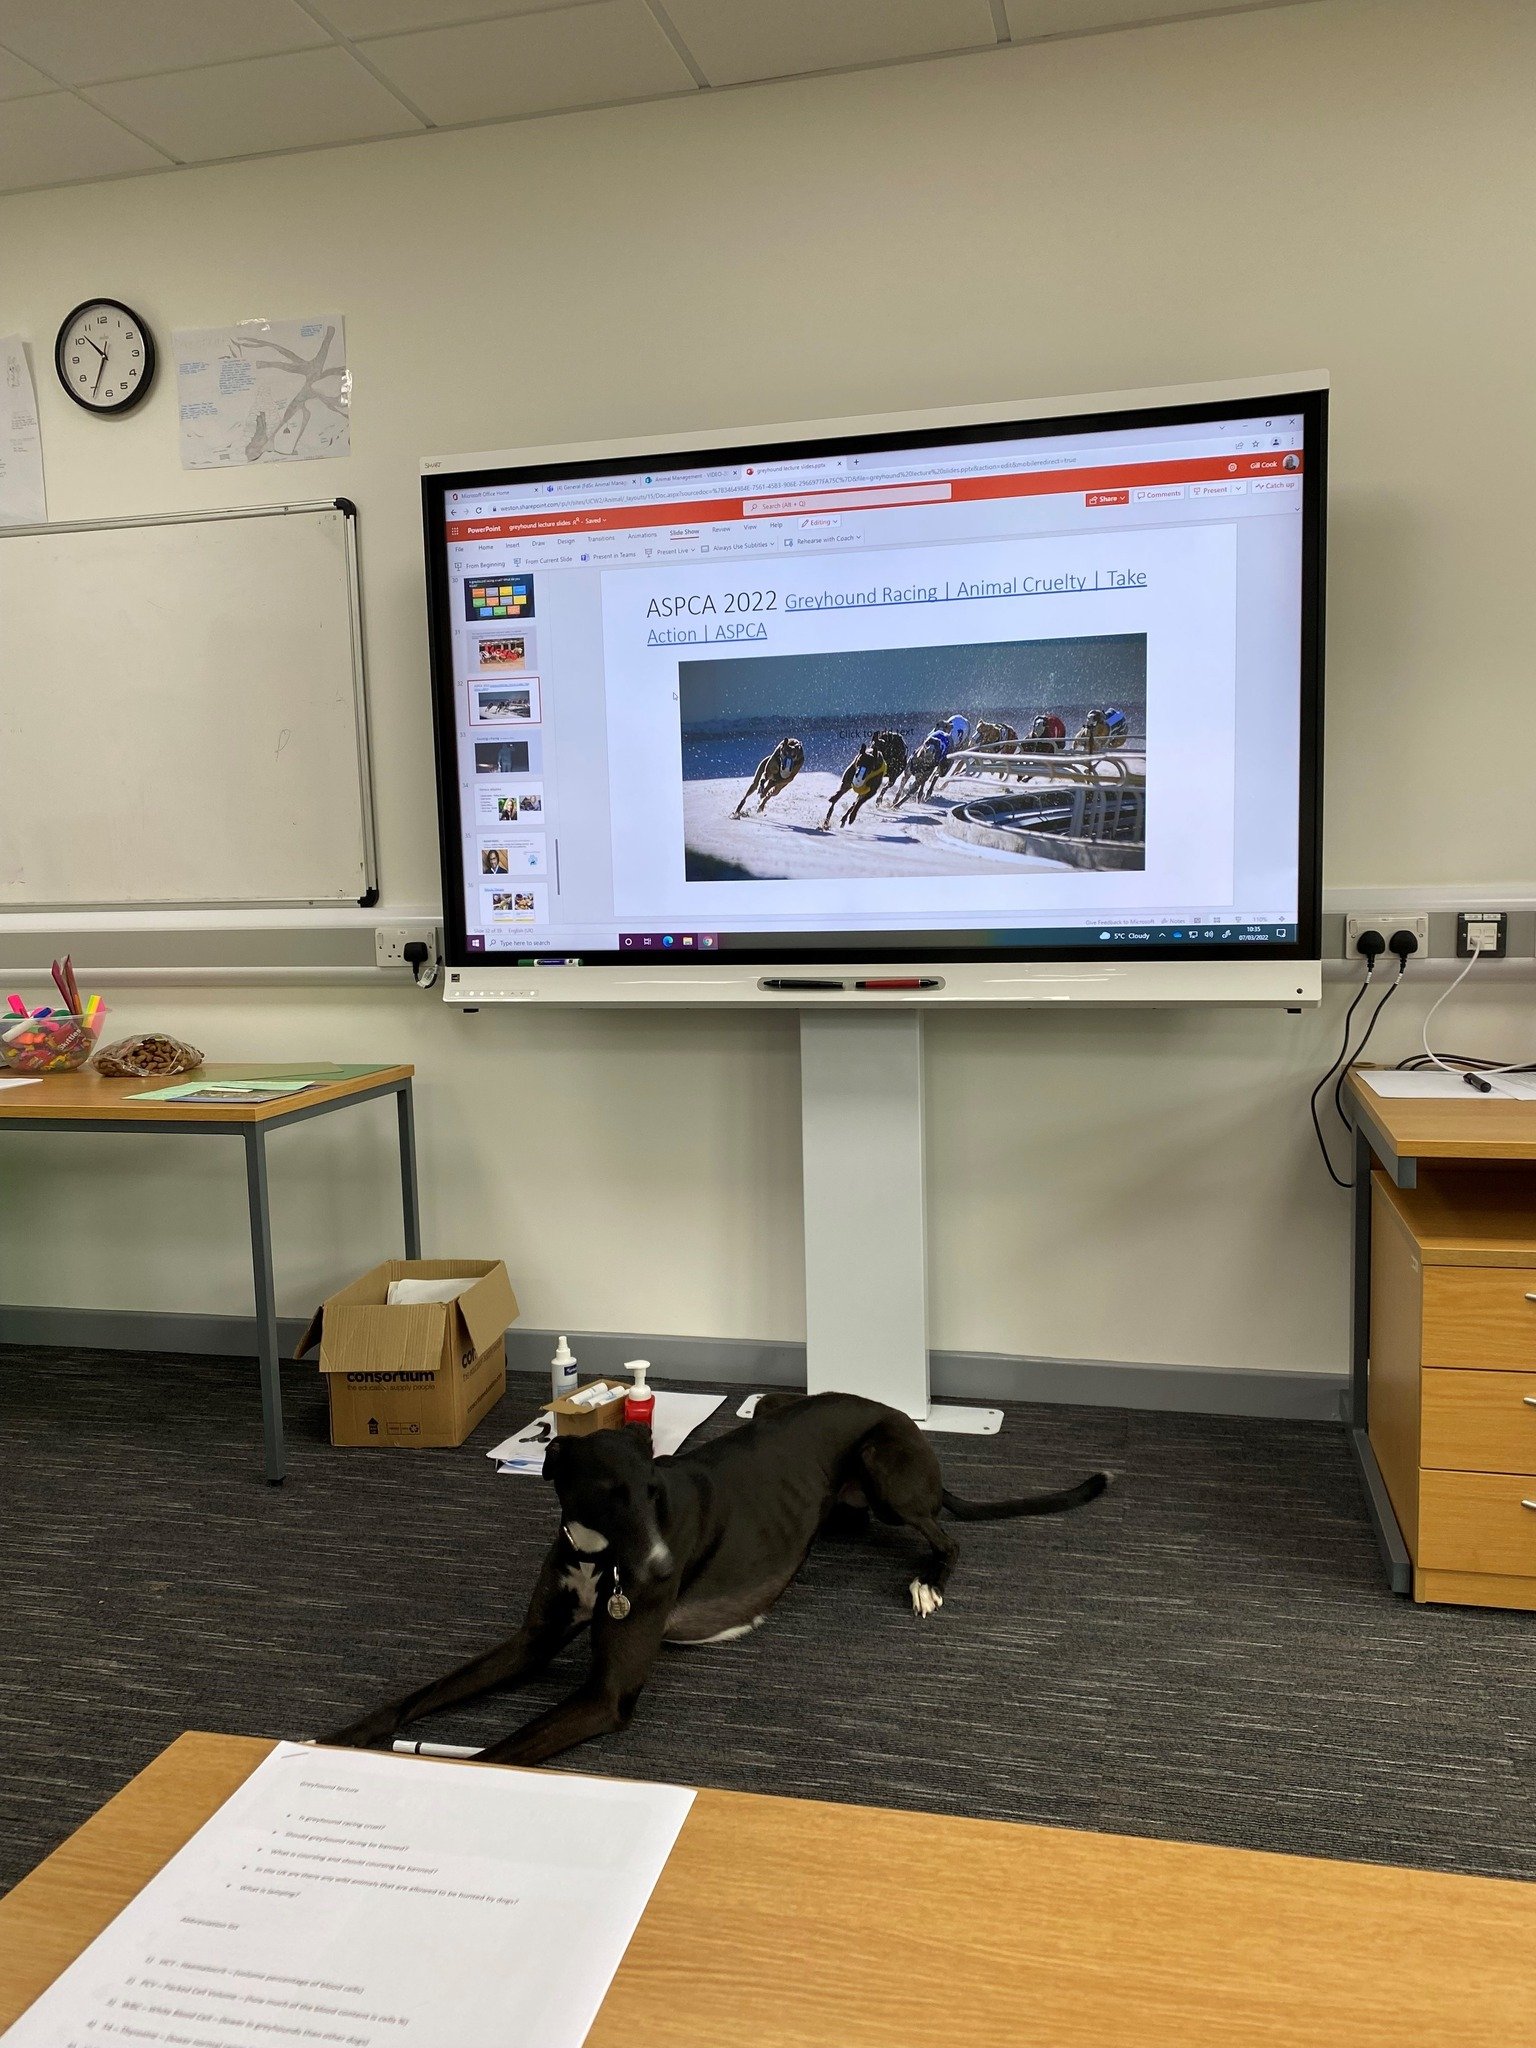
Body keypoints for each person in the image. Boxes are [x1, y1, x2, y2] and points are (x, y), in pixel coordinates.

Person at [732, 735, 804, 817]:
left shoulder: (800, 759)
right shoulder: (779, 750)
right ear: (782, 749)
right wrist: (762, 782)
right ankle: (741, 804)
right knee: (755, 785)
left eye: (792, 757)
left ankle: (764, 801)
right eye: (785, 755)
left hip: (785, 775)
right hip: (774, 766)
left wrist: (773, 785)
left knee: (775, 791)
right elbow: (766, 773)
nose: (787, 759)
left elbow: (790, 778)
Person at [822, 741, 887, 830]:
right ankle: (827, 819)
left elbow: (872, 792)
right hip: (862, 763)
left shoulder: (877, 772)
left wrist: (856, 809)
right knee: (840, 792)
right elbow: (846, 781)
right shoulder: (858, 761)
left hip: (872, 775)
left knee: (860, 798)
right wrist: (839, 793)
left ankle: (848, 814)